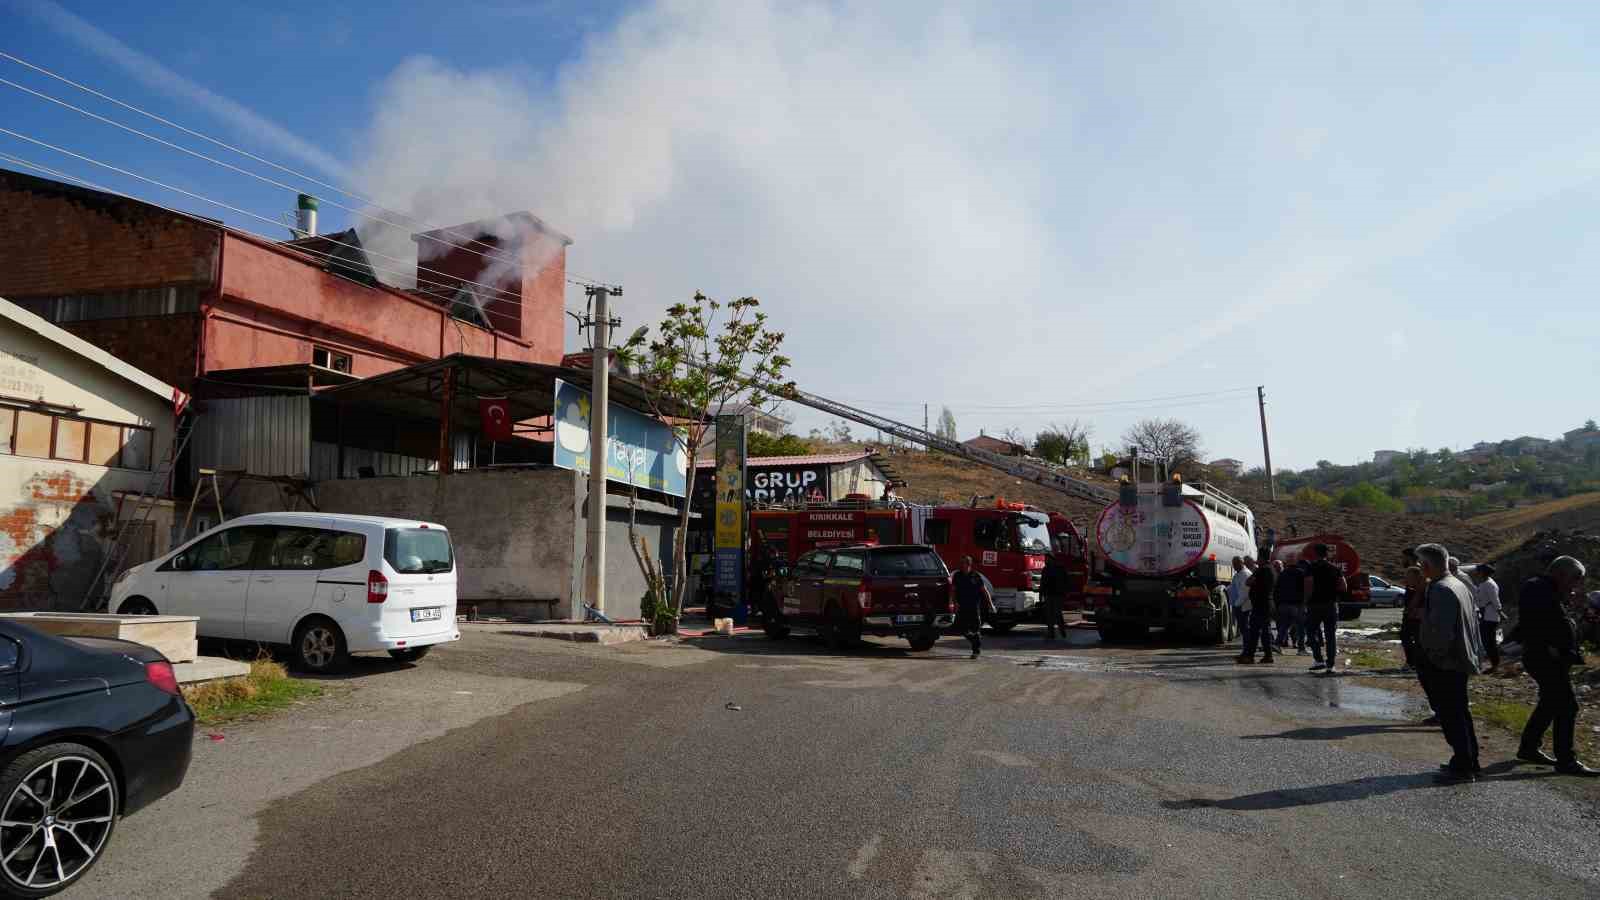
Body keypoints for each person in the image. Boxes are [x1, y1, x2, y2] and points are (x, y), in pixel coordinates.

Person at [1511, 556, 1598, 776]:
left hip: (1548, 656)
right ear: (1560, 574)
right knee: (1567, 706)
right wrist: (1551, 647)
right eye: (1575, 579)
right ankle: (1566, 760)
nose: (1576, 584)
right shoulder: (1538, 589)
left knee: (1550, 702)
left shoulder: (1547, 590)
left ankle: (1529, 747)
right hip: (1545, 658)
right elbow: (1538, 623)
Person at [1416, 543, 1483, 783]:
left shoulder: (1442, 589)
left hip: (1447, 662)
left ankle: (1464, 764)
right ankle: (1468, 759)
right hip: (1458, 659)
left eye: (1420, 564)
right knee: (1459, 711)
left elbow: (1442, 633)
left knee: (1451, 714)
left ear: (1426, 565)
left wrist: (1434, 657)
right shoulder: (1458, 583)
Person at [1302, 544, 1347, 674]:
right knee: (1330, 635)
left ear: (1315, 553)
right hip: (1331, 605)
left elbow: (1308, 586)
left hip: (1315, 605)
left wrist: (1305, 602)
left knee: (1310, 632)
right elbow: (1344, 586)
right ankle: (1330, 664)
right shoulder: (1335, 568)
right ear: (1326, 554)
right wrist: (1332, 591)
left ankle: (1318, 659)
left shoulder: (1311, 568)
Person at [1237, 557, 1277, 664]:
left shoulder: (1261, 570)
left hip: (1260, 605)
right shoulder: (1272, 570)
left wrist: (1255, 577)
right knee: (1265, 631)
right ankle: (1268, 655)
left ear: (1262, 560)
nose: (1257, 561)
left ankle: (1250, 656)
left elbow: (1248, 582)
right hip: (1268, 603)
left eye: (1258, 559)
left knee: (1254, 631)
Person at [953, 556, 993, 659]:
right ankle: (976, 640)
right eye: (960, 563)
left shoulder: (976, 576)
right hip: (962, 606)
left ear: (968, 564)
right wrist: (954, 603)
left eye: (963, 563)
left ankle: (976, 651)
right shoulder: (957, 575)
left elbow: (984, 591)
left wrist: (990, 604)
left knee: (975, 629)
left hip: (974, 606)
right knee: (960, 628)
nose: (961, 565)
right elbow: (953, 591)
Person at [1473, 562, 1502, 671]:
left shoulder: (1489, 584)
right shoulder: (1483, 583)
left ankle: (1495, 664)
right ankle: (1494, 663)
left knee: (1489, 641)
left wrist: (1499, 610)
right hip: (1485, 615)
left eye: (1478, 572)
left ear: (1482, 573)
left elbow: (1495, 600)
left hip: (1490, 616)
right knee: (1486, 640)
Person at [1398, 547, 1423, 670]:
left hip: (1414, 610)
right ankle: (1413, 661)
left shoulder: (1416, 570)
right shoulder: (1413, 569)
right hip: (1411, 609)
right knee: (1409, 636)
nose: (1402, 559)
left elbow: (1418, 591)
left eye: (1403, 557)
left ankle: (1413, 662)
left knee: (1410, 636)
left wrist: (1411, 607)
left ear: (1409, 557)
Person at [1039, 554, 1068, 640]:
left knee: (1056, 613)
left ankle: (1061, 631)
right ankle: (1052, 633)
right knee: (1050, 615)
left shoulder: (1059, 569)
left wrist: (1065, 592)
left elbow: (1066, 581)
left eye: (1047, 559)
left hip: (1057, 594)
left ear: (1052, 559)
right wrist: (1041, 594)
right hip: (1049, 594)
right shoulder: (1047, 569)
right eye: (1045, 559)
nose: (1045, 560)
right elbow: (1043, 583)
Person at [1226, 557, 1248, 634]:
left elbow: (1244, 593)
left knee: (1245, 629)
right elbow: (1232, 588)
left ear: (1242, 563)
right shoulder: (1238, 574)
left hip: (1243, 607)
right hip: (1240, 606)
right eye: (1233, 564)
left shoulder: (1244, 575)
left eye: (1236, 564)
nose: (1234, 566)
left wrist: (1236, 605)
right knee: (1243, 629)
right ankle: (1247, 645)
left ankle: (1248, 645)